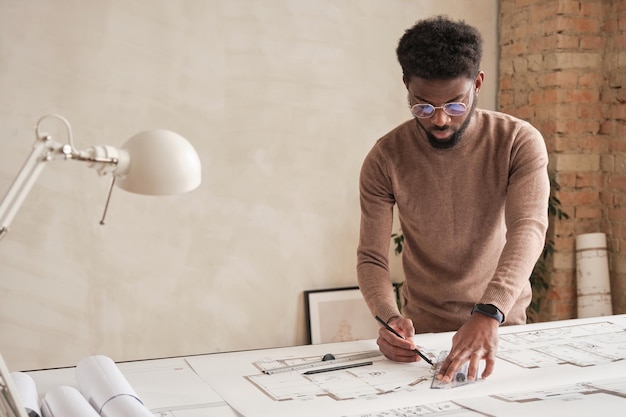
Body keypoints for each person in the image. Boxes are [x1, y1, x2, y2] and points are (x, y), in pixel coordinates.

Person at [356, 16, 550, 384]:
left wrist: (489, 312)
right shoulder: (385, 157)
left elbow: (529, 229)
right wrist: (388, 318)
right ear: (406, 86)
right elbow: (371, 256)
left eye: (455, 105)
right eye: (423, 106)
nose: (440, 119)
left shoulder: (517, 141)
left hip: (502, 325)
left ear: (477, 83)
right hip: (423, 339)